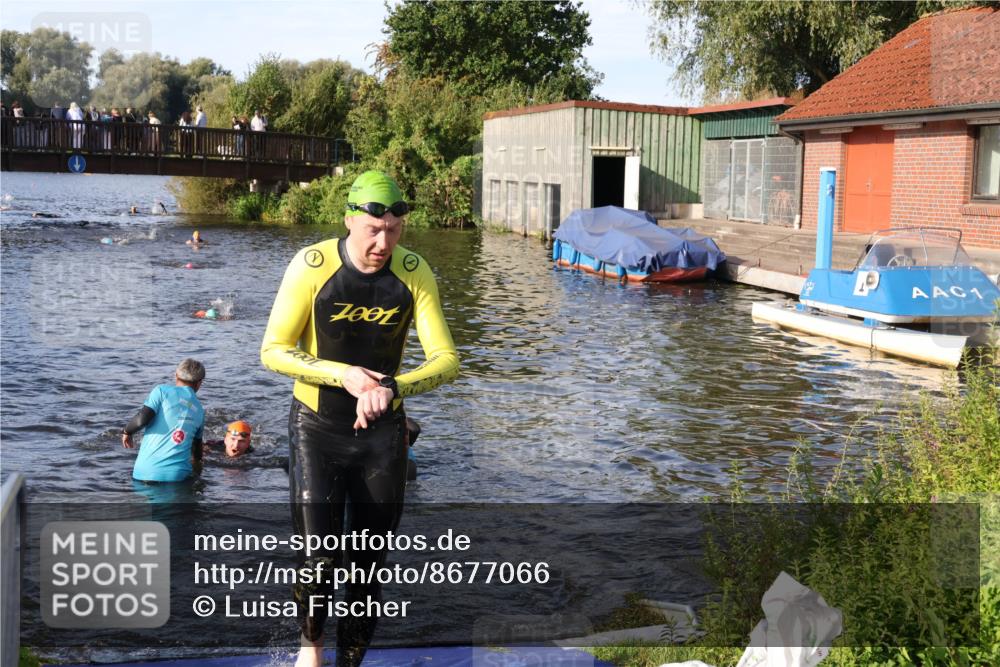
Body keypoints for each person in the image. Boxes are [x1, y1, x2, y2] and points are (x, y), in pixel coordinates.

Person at [260, 170, 459, 667]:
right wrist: (343, 375)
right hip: (316, 426)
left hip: (383, 435)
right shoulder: (312, 265)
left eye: (393, 230)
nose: (383, 242)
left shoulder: (414, 271)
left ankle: (352, 664)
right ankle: (312, 651)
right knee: (318, 557)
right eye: (373, 230)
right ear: (349, 220)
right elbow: (273, 351)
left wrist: (394, 388)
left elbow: (447, 359)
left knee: (368, 566)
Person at [122, 359, 206, 483]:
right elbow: (197, 452)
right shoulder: (200, 410)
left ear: (176, 375)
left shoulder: (161, 391)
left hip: (144, 474)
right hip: (178, 477)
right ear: (199, 383)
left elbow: (142, 420)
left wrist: (127, 431)